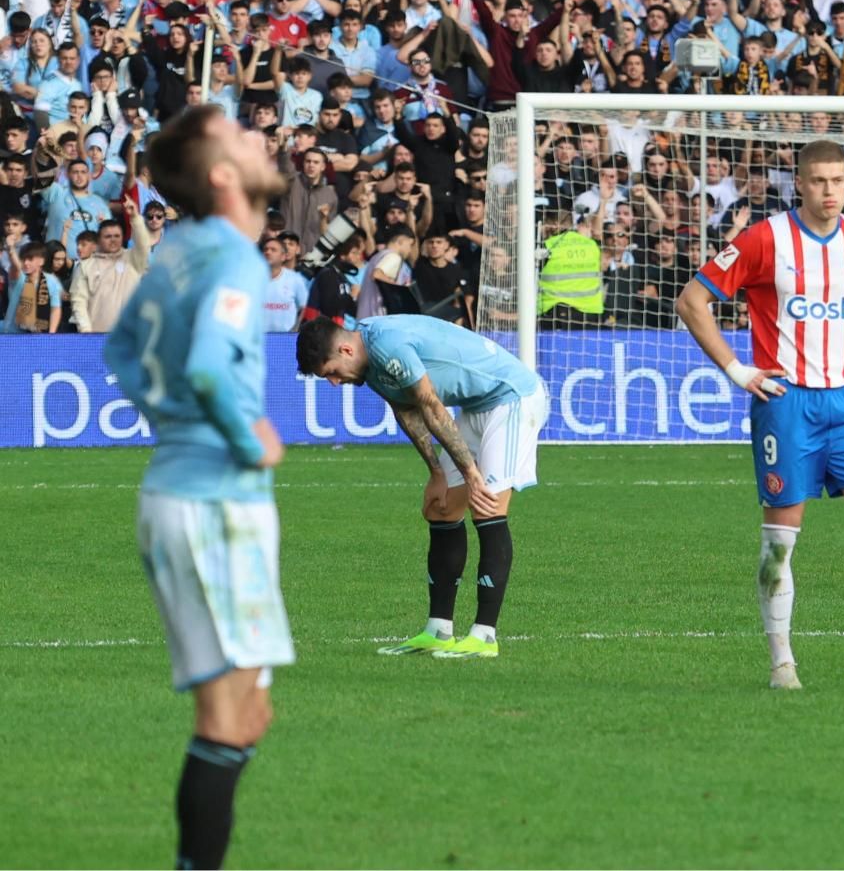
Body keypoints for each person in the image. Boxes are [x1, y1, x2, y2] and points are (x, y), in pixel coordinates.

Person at [102, 106, 293, 869]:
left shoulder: (180, 252)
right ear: (222, 175)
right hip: (214, 498)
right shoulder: (234, 261)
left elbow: (120, 349)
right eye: (243, 137)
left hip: (185, 490)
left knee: (250, 713)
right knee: (225, 718)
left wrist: (177, 420)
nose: (260, 140)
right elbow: (212, 367)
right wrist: (242, 432)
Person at [674, 139, 844, 691]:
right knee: (780, 543)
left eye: (838, 180)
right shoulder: (766, 239)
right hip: (786, 404)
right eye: (818, 180)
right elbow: (692, 300)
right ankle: (782, 664)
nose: (829, 190)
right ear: (799, 183)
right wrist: (738, 371)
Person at [296, 314, 549, 659]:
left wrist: (472, 476)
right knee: (440, 506)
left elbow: (430, 403)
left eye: (332, 373)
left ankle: (485, 635)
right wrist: (436, 472)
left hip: (512, 397)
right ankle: (439, 630)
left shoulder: (387, 345)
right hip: (478, 406)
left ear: (344, 349)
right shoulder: (367, 359)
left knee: (487, 502)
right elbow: (405, 407)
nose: (335, 383)